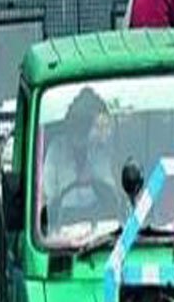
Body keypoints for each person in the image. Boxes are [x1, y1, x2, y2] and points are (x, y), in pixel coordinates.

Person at [41, 87, 117, 227]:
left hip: (98, 221)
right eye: (78, 120)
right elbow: (49, 195)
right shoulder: (56, 150)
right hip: (64, 223)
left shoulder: (99, 150)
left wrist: (93, 180)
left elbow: (111, 193)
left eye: (86, 121)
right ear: (69, 121)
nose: (81, 126)